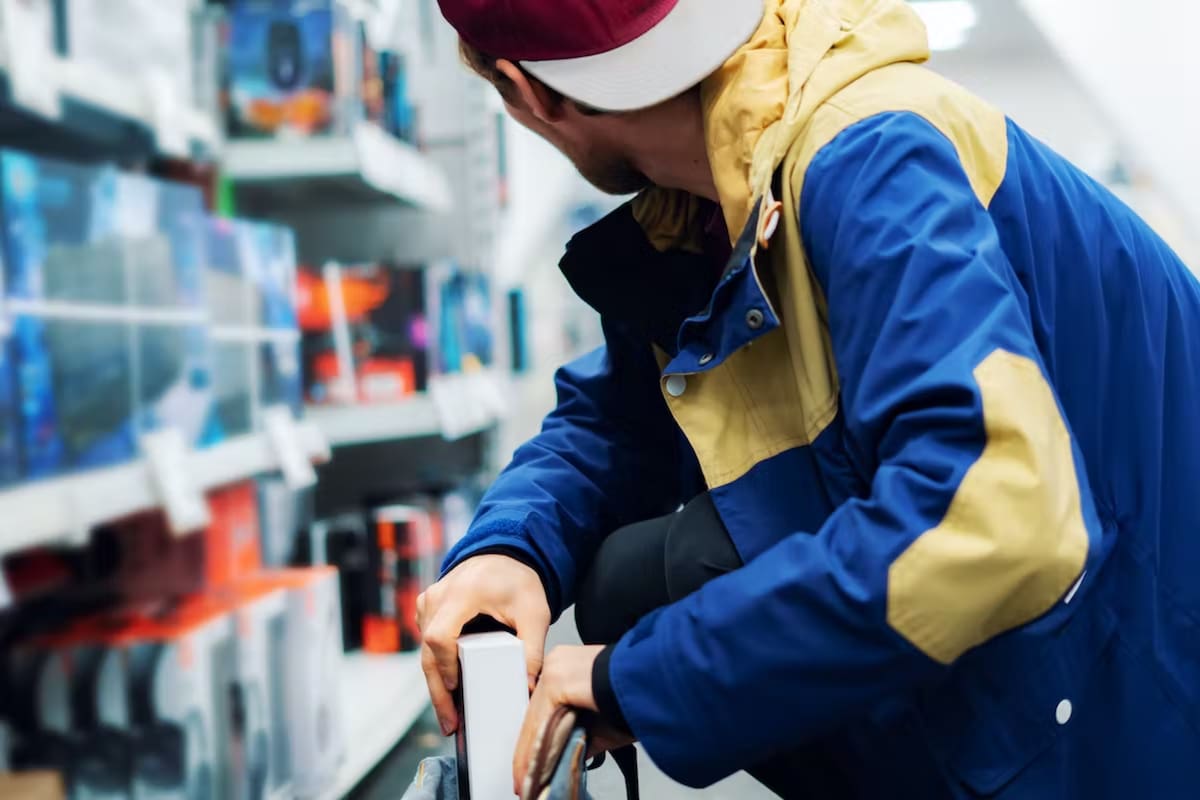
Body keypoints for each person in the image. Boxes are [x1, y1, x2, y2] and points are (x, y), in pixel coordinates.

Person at [416, 0, 1200, 797]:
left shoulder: (868, 157)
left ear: (527, 92)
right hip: (1061, 678)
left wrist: (641, 680)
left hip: (1138, 698)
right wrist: (508, 549)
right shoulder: (712, 196)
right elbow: (618, 421)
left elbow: (992, 518)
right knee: (632, 579)